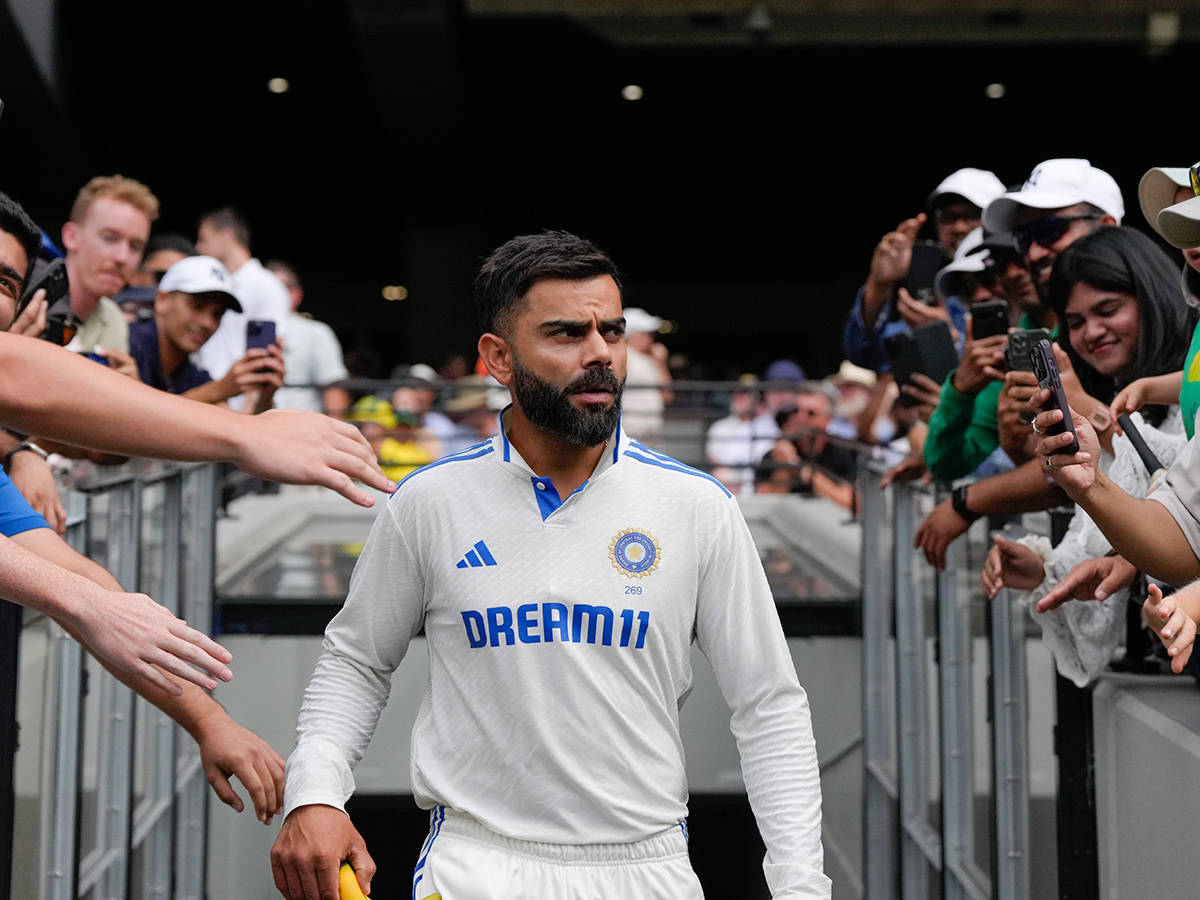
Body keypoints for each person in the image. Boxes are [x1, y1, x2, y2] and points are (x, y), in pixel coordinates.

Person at [271, 231, 829, 900]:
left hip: (646, 867)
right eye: (566, 334)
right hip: (477, 863)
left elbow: (769, 707)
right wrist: (316, 794)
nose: (600, 354)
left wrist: (801, 887)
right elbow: (356, 663)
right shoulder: (427, 501)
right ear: (498, 358)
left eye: (612, 332)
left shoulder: (699, 506)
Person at [979, 226, 1194, 686]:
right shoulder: (1128, 389)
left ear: (1152, 296)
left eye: (1108, 310)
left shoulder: (1185, 379)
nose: (1092, 333)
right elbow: (1163, 517)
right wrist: (1045, 569)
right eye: (1075, 322)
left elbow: (1185, 500)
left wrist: (1092, 416)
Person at [913, 160, 1125, 569]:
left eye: (1049, 232)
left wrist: (968, 500)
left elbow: (1157, 463)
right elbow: (951, 460)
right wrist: (961, 392)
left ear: (1107, 226)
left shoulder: (1155, 317)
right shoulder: (1020, 344)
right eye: (1025, 239)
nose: (1022, 263)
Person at [843, 167, 1005, 372]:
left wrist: (950, 340)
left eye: (972, 215)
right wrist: (879, 285)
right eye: (948, 217)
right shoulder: (945, 296)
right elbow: (867, 355)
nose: (959, 227)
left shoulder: (1021, 280)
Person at [129, 255, 285, 411]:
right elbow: (133, 422)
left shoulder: (193, 373)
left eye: (217, 314)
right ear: (163, 300)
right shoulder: (126, 344)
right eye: (197, 306)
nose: (207, 323)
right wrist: (218, 390)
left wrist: (265, 397)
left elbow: (236, 429)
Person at [194, 206, 291, 382]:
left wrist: (249, 409)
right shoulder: (222, 286)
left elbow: (266, 357)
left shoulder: (264, 285)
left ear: (226, 235)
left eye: (203, 239)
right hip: (211, 397)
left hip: (237, 405)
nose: (199, 247)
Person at [266, 260, 351, 414]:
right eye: (264, 287)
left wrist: (330, 435)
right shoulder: (240, 329)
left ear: (296, 294)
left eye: (276, 288)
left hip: (301, 431)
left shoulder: (316, 333)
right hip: (251, 429)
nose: (269, 293)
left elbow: (334, 392)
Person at [704, 381, 780, 494]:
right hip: (731, 487)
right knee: (721, 474)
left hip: (760, 485)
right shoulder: (720, 427)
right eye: (737, 393)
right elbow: (715, 461)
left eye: (745, 394)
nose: (739, 397)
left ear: (757, 398)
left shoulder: (770, 426)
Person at [620, 306, 672, 447]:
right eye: (646, 333)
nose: (650, 338)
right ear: (632, 334)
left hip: (652, 428)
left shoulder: (651, 359)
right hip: (630, 428)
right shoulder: (622, 356)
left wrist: (660, 363)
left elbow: (667, 394)